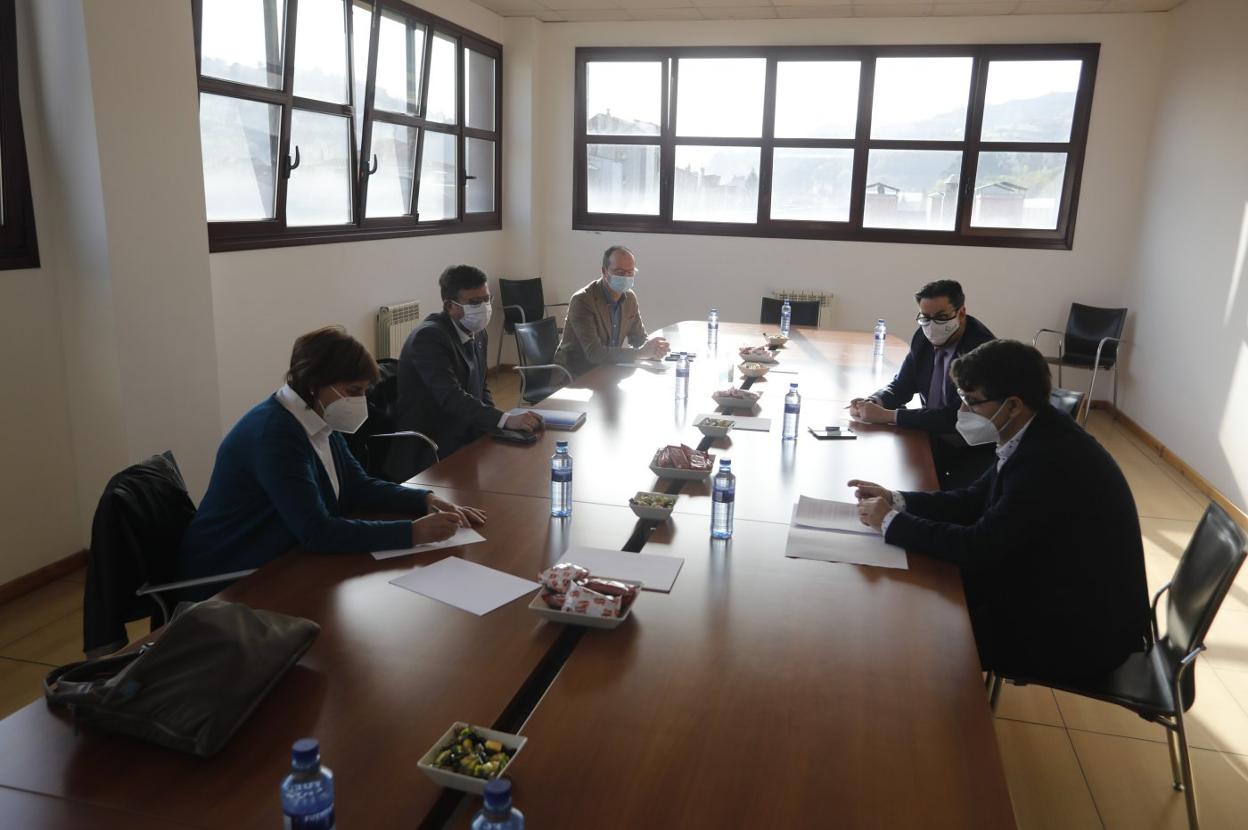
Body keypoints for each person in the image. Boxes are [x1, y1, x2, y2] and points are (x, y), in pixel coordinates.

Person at [848, 339, 1151, 681]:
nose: (962, 412)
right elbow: (973, 499)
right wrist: (896, 499)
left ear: (1012, 406)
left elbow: (979, 546)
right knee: (918, 592)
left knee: (924, 626)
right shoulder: (1035, 431)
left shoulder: (1049, 460)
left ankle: (938, 728)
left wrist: (891, 522)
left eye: (971, 402)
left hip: (1081, 632)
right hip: (1050, 585)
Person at [177, 326, 485, 583]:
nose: (361, 402)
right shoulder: (275, 435)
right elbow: (317, 531)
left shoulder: (316, 415)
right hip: (233, 572)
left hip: (285, 553)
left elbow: (357, 485)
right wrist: (411, 533)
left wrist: (425, 500)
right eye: (353, 392)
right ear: (314, 384)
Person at [394, 265, 542, 475]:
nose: (484, 307)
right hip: (432, 447)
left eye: (486, 299)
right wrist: (504, 419)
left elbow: (481, 387)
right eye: (474, 302)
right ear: (449, 306)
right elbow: (450, 397)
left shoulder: (478, 332)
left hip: (466, 432)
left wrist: (498, 427)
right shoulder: (429, 338)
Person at [849, 279, 996, 490]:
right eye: (925, 317)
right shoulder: (923, 336)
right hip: (932, 436)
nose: (932, 325)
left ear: (961, 313)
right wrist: (873, 401)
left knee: (913, 482)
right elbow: (902, 386)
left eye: (941, 317)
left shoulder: (980, 352)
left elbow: (954, 417)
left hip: (969, 449)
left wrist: (887, 416)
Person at [553, 245, 670, 377]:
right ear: (604, 271)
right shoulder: (582, 300)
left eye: (630, 272)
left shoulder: (630, 298)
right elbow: (595, 354)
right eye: (620, 272)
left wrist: (654, 349)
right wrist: (641, 353)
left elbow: (639, 339)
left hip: (608, 371)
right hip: (574, 377)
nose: (625, 277)